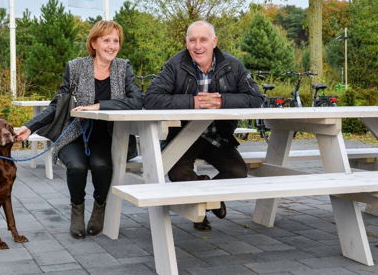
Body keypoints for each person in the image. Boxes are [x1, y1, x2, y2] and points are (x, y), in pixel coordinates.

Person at [16, 21, 142, 239]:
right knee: (76, 167)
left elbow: (137, 100)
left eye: (116, 41)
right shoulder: (76, 67)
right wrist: (30, 126)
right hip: (74, 133)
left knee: (102, 165)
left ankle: (99, 207)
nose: (112, 46)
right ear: (94, 43)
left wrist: (99, 106)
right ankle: (77, 211)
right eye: (106, 40)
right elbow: (58, 104)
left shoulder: (123, 67)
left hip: (109, 135)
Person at [144, 20, 263, 231]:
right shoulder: (175, 65)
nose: (198, 46)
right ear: (186, 42)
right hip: (183, 135)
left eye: (203, 39)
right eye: (192, 40)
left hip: (217, 135)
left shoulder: (233, 65)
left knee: (237, 171)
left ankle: (207, 201)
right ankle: (206, 204)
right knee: (178, 174)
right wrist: (193, 102)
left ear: (214, 42)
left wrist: (222, 101)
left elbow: (255, 98)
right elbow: (151, 98)